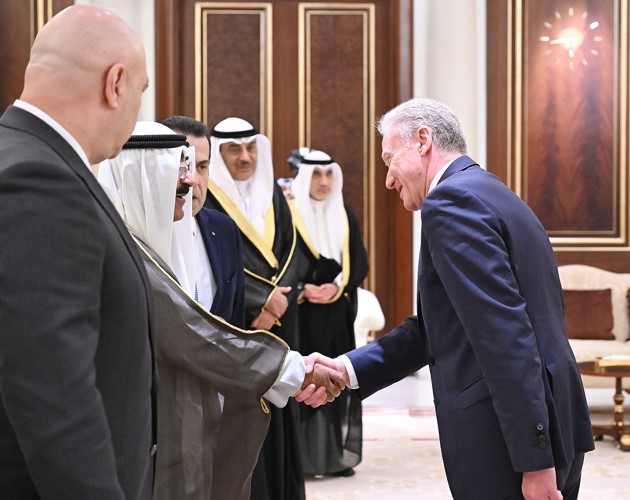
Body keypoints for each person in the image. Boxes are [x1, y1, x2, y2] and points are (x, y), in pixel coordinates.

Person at [299, 98, 595, 499]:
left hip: (509, 442)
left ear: (423, 140)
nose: (388, 180)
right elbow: (442, 326)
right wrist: (347, 368)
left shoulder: (451, 203)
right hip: (555, 418)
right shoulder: (493, 192)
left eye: (389, 159)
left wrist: (534, 458)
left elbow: (505, 336)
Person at [98, 121, 342, 500]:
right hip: (132, 429)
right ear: (140, 177)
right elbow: (189, 332)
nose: (190, 182)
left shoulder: (163, 237)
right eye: (177, 170)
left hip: (196, 417)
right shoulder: (120, 249)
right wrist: (291, 369)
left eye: (197, 167)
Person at [0, 6, 155, 499]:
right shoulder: (41, 180)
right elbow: (53, 393)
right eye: (141, 91)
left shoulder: (18, 155)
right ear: (115, 84)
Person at [204, 117, 308, 500]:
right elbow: (214, 260)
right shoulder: (206, 197)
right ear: (219, 153)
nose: (245, 157)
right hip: (240, 321)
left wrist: (276, 304)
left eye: (250, 148)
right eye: (234, 149)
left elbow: (294, 250)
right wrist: (261, 300)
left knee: (282, 407)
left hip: (280, 322)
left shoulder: (272, 193)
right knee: (246, 413)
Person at [289, 149, 369, 477]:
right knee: (302, 385)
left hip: (336, 316)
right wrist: (303, 290)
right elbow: (281, 263)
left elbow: (359, 261)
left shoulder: (344, 214)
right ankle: (300, 461)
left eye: (328, 175)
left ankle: (333, 457)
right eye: (316, 175)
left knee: (335, 384)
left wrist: (340, 286)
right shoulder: (288, 214)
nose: (323, 182)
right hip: (301, 317)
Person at [160, 115, 245, 326]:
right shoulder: (137, 234)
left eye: (202, 166)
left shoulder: (224, 229)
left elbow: (236, 319)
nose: (194, 180)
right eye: (183, 165)